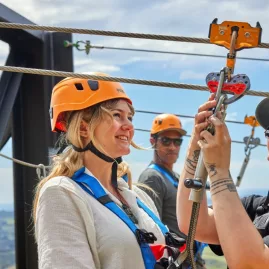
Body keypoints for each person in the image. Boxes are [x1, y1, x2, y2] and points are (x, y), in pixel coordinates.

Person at [33, 74, 186, 269]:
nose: (129, 126)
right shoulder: (62, 193)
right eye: (116, 115)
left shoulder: (137, 196)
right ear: (83, 128)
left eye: (129, 117)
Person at [177, 94, 269, 269]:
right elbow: (193, 222)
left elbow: (252, 264)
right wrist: (196, 146)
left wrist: (218, 170)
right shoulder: (257, 207)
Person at [138, 114, 207, 268]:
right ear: (153, 141)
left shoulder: (175, 177)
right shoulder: (152, 178)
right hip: (176, 262)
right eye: (165, 140)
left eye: (177, 142)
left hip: (191, 260)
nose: (172, 147)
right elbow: (152, 229)